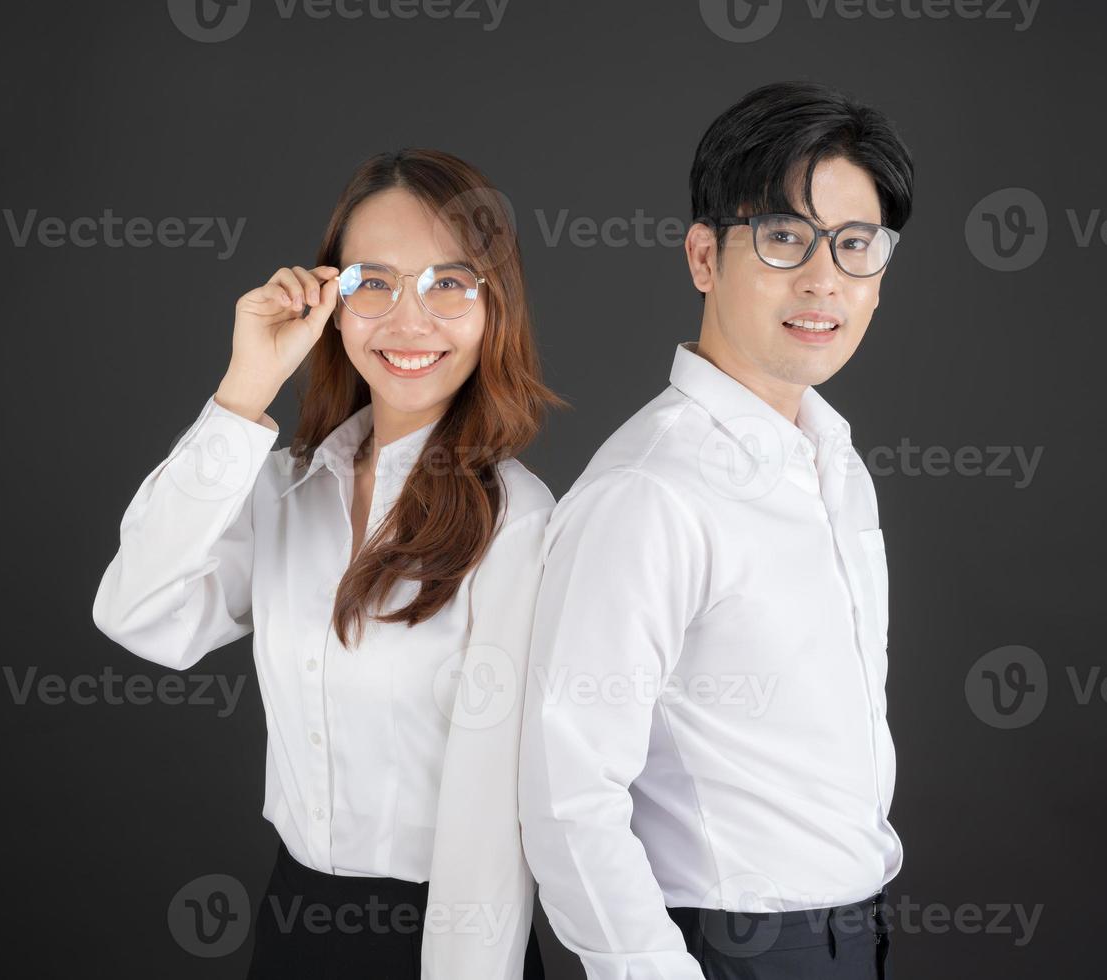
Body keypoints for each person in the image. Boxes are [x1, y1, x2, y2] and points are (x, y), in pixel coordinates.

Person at [93, 148, 562, 979]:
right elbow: (136, 614)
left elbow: (495, 820)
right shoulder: (284, 489)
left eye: (449, 283)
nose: (409, 322)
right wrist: (244, 389)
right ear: (330, 302)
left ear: (496, 307)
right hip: (294, 920)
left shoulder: (517, 519)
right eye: (372, 282)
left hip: (447, 936)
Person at [518, 81, 915, 979]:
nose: (824, 281)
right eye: (784, 239)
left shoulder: (834, 462)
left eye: (856, 246)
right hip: (728, 946)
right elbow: (566, 791)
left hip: (852, 933)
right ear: (704, 256)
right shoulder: (650, 489)